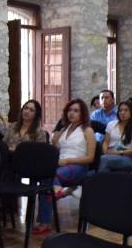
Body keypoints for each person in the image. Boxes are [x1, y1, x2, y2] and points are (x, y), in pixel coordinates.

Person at [33, 99, 96, 235]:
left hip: (79, 166)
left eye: (76, 111)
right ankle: (45, 220)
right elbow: (58, 150)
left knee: (52, 177)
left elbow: (90, 158)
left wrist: (68, 160)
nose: (71, 113)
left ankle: (58, 193)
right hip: (61, 165)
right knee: (45, 179)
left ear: (83, 113)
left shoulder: (88, 131)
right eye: (69, 110)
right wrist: (55, 142)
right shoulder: (63, 129)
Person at [98, 102, 132, 172]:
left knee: (104, 159)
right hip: (110, 154)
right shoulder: (111, 124)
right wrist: (105, 151)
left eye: (126, 110)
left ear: (131, 112)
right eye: (120, 110)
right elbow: (106, 142)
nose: (122, 113)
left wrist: (118, 152)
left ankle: (100, 178)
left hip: (126, 156)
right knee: (104, 159)